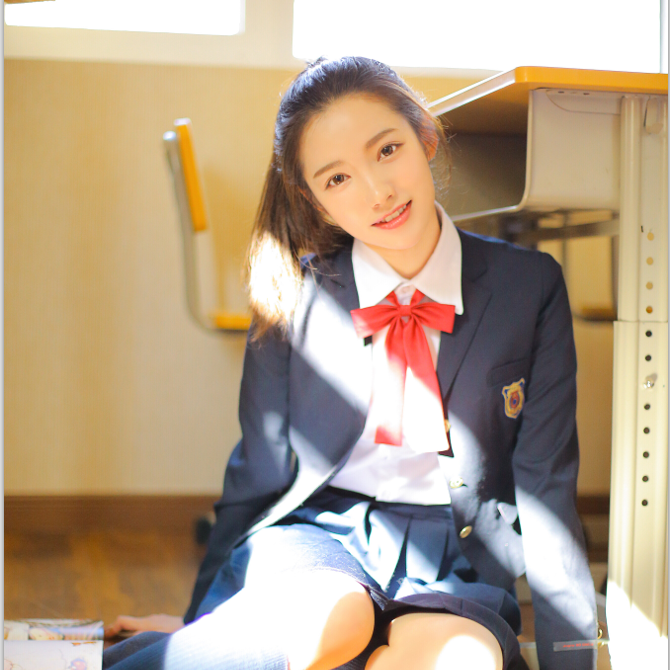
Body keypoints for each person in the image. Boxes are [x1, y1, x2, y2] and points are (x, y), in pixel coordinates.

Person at [103, 56, 598, 670]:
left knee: (463, 660)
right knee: (335, 622)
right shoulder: (295, 292)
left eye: (387, 150)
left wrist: (572, 660)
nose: (377, 192)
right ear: (312, 200)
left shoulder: (530, 286)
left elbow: (547, 490)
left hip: (456, 561)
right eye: (337, 179)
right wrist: (201, 617)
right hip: (317, 538)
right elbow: (256, 472)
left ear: (426, 136)